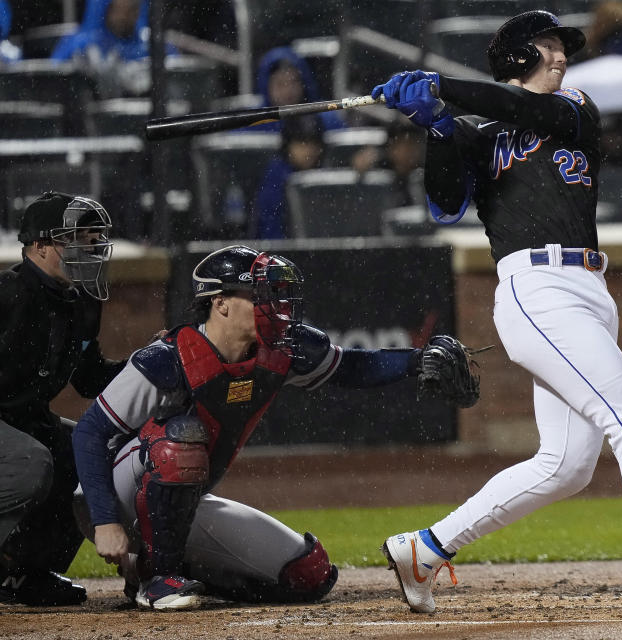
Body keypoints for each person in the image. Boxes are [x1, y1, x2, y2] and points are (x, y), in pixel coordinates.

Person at [371, 10, 622, 615]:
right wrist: (435, 126)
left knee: (565, 465)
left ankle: (426, 548)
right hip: (535, 289)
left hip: (588, 289)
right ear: (516, 56)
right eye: (547, 47)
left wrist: (444, 89)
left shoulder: (574, 107)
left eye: (561, 47)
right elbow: (443, 203)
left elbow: (526, 112)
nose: (561, 57)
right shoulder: (480, 138)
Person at [71, 245, 469, 610]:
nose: (274, 305)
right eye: (260, 296)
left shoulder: (282, 349)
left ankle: (158, 568)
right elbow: (89, 433)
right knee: (182, 442)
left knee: (309, 575)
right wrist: (105, 522)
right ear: (220, 303)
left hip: (174, 506)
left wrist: (417, 361)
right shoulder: (164, 360)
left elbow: (352, 366)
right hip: (109, 497)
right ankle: (158, 580)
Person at [0, 192, 121, 606]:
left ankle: (24, 573)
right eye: (78, 237)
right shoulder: (8, 292)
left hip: (21, 418)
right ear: (39, 246)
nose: (91, 247)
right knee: (29, 462)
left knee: (88, 450)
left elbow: (89, 381)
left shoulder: (80, 304)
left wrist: (148, 362)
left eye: (94, 237)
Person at [252, 115, 326, 239]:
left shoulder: (324, 171)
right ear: (288, 145)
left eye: (314, 143)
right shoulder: (276, 175)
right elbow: (270, 229)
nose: (309, 150)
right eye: (301, 142)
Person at [253, 46, 344, 133]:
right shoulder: (253, 122)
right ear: (266, 87)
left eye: (293, 82)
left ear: (304, 83)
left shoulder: (327, 121)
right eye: (280, 84)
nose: (287, 90)